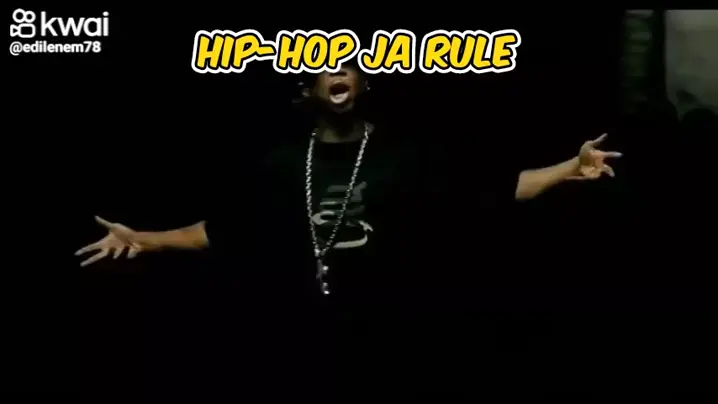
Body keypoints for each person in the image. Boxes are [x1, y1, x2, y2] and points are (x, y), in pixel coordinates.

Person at [75, 63, 621, 396]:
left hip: (394, 340)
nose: (336, 73)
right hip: (303, 343)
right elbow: (224, 232)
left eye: (347, 66)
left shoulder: (405, 156)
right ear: (306, 89)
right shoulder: (282, 164)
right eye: (323, 68)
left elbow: (498, 187)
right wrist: (145, 238)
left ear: (363, 83)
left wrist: (569, 167)